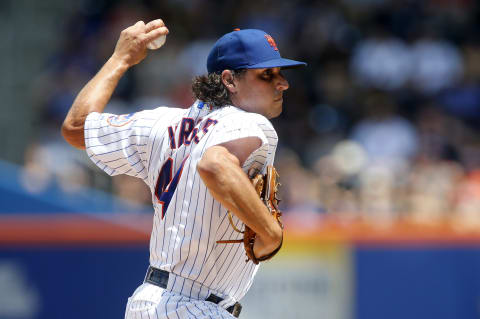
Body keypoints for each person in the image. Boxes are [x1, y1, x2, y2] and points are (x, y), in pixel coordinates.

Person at [61, 19, 306, 319]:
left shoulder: (160, 123)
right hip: (197, 309)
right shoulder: (249, 122)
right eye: (267, 74)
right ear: (229, 80)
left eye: (280, 73)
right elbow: (215, 164)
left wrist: (120, 58)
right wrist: (271, 232)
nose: (282, 83)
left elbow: (75, 128)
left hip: (147, 302)